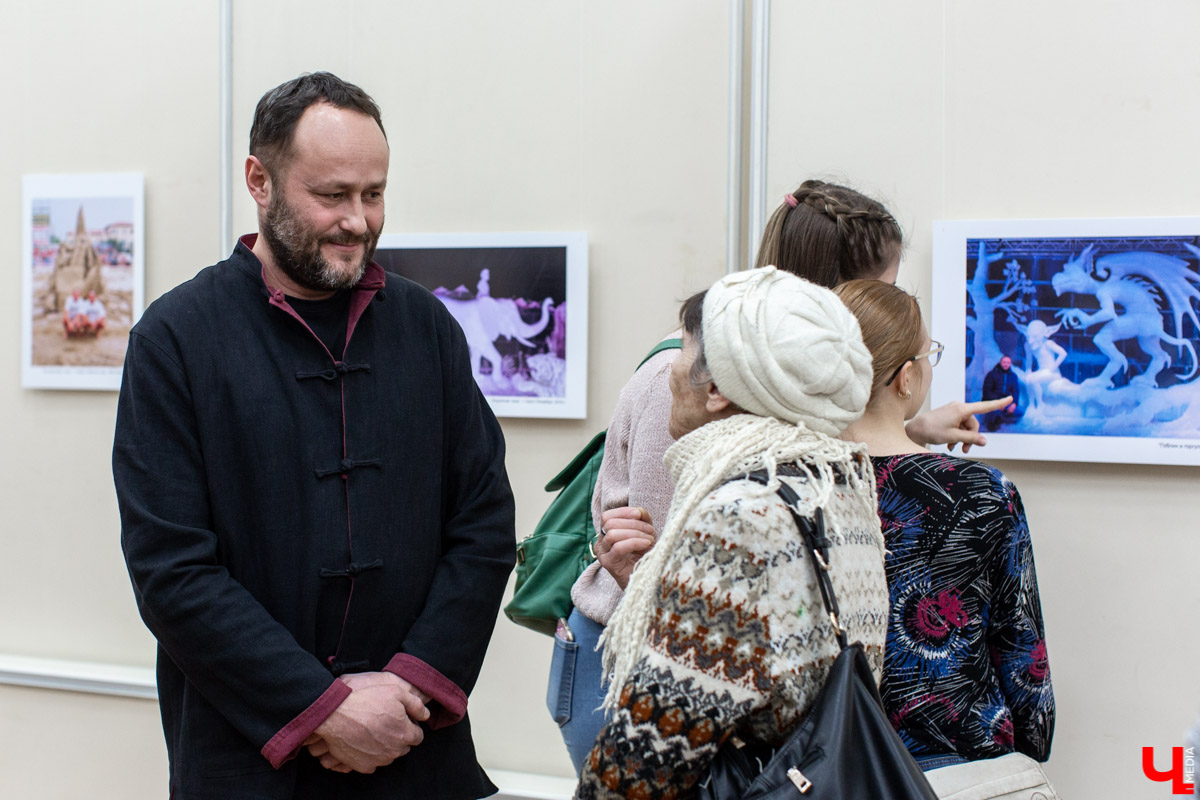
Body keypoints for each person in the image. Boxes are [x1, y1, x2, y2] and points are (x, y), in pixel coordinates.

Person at [113, 72, 515, 800]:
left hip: (417, 750)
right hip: (247, 762)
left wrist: (409, 687)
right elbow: (172, 571)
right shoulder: (176, 340)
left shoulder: (426, 328)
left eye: (374, 193)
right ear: (259, 181)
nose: (358, 221)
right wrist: (324, 709)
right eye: (332, 195)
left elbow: (483, 525)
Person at [552, 178, 1013, 772]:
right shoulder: (687, 382)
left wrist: (912, 430)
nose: (885, 311)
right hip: (625, 665)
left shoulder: (774, 396)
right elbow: (664, 556)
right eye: (880, 290)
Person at [575, 267, 889, 798]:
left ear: (717, 387)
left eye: (683, 350)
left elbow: (649, 752)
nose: (670, 369)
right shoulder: (835, 485)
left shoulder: (738, 517)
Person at [835, 280, 1056, 796]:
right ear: (906, 377)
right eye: (928, 353)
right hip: (959, 770)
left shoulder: (789, 486)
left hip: (825, 769)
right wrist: (1031, 744)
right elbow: (1024, 656)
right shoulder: (982, 492)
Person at [982, 354, 1022, 430]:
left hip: (1006, 403)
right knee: (993, 414)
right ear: (1000, 363)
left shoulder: (1013, 376)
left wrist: (1014, 404)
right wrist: (999, 403)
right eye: (1004, 362)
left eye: (1008, 363)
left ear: (1010, 364)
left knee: (1019, 413)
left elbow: (1016, 391)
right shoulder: (992, 374)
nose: (1006, 364)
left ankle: (1002, 419)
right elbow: (987, 391)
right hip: (993, 402)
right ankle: (992, 421)